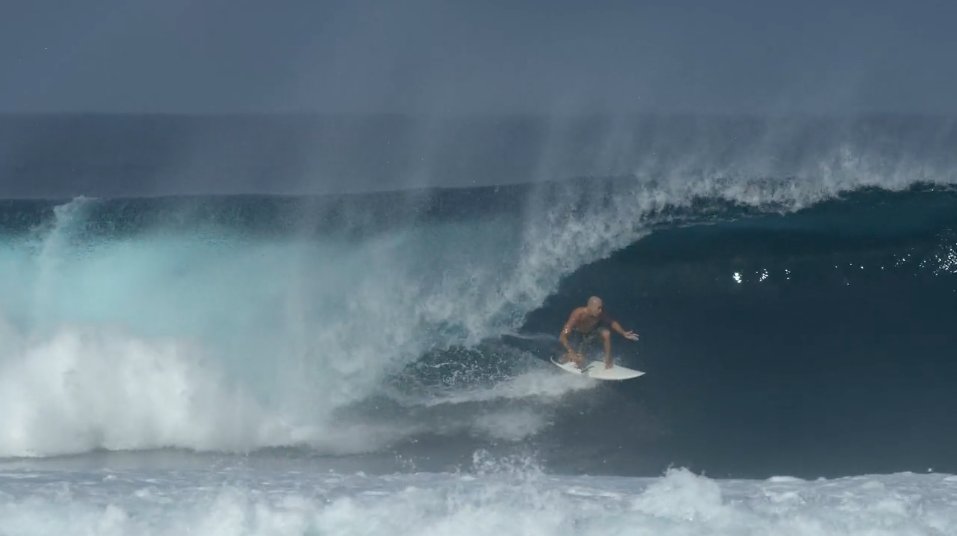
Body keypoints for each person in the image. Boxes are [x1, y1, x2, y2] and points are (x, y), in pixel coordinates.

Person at [559, 296, 639, 369]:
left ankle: (607, 359)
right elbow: (564, 334)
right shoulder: (578, 313)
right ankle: (564, 358)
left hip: (592, 333)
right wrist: (570, 350)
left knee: (606, 333)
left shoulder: (600, 314)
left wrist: (623, 333)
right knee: (578, 359)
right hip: (579, 333)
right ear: (590, 307)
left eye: (601, 308)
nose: (601, 310)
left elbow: (612, 322)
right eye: (598, 308)